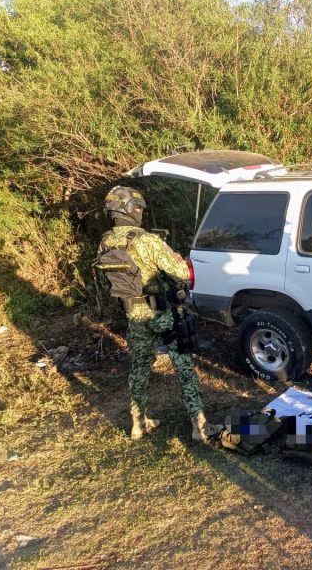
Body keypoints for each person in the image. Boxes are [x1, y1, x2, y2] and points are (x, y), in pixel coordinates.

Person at [96, 185, 221, 442]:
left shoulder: (106, 241)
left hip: (134, 313)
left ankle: (138, 424)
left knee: (140, 367)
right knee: (183, 366)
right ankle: (199, 426)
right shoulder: (146, 240)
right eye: (139, 208)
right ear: (132, 209)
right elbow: (182, 274)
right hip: (164, 313)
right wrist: (177, 260)